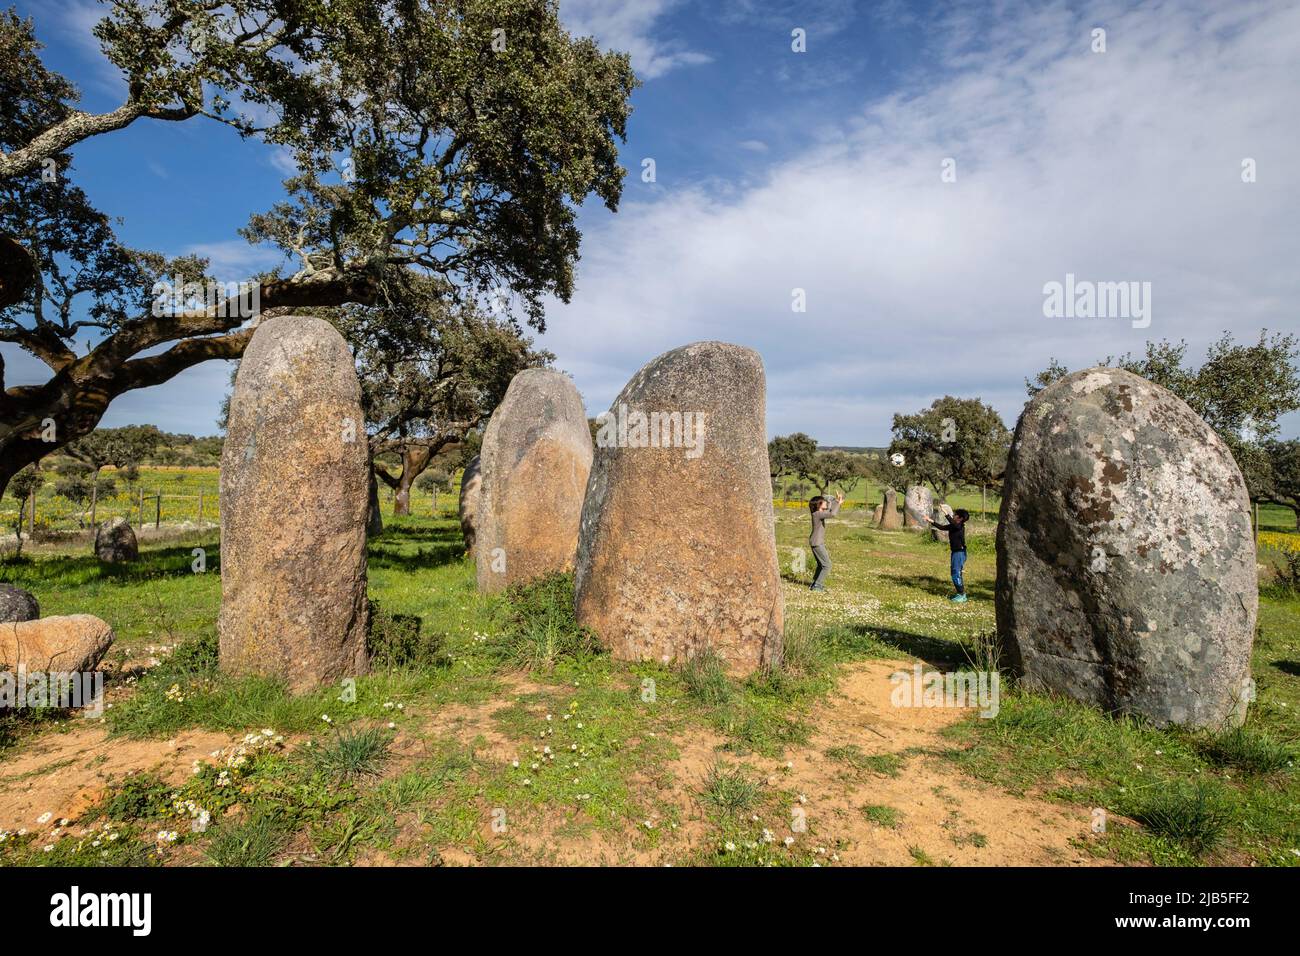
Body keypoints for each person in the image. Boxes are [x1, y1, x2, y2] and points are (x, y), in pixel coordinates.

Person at [924, 508, 970, 602]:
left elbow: (954, 524)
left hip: (959, 553)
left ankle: (961, 595)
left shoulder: (959, 526)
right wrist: (930, 521)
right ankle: (961, 594)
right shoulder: (954, 526)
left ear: (960, 518)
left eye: (955, 514)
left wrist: (946, 513)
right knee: (956, 573)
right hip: (956, 553)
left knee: (955, 574)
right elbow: (941, 527)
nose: (953, 515)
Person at [808, 490, 844, 591]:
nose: (826, 503)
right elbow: (833, 514)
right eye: (824, 502)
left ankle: (815, 583)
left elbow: (830, 510)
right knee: (827, 565)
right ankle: (817, 585)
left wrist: (836, 501)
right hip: (817, 543)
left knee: (821, 564)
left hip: (817, 542)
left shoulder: (819, 513)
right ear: (819, 504)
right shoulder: (817, 514)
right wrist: (838, 503)